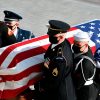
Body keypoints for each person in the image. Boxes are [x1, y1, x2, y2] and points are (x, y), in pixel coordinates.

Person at [40, 20, 76, 100]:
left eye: (53, 35)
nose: (50, 36)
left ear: (62, 36)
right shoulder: (62, 43)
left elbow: (54, 81)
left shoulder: (60, 59)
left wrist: (43, 88)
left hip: (60, 94)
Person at [72, 31, 98, 100]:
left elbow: (79, 84)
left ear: (86, 45)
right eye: (74, 43)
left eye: (78, 45)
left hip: (85, 93)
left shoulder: (85, 63)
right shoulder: (85, 50)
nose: (74, 46)